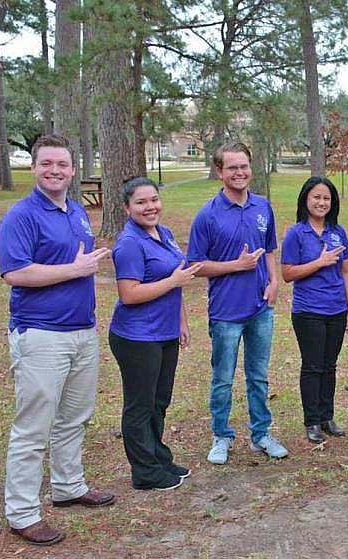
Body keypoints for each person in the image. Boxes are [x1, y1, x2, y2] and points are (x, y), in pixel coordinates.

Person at [0, 134, 115, 547]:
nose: (55, 171)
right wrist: (75, 269)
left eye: (62, 165)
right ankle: (23, 513)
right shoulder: (21, 216)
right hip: (41, 335)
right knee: (34, 428)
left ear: (72, 169)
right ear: (34, 168)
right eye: (47, 164)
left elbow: (78, 264)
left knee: (74, 417)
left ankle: (69, 486)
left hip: (82, 332)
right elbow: (15, 273)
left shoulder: (77, 210)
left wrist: (81, 269)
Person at [187, 141, 288, 462]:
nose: (239, 172)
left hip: (260, 309)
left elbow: (269, 249)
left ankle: (260, 434)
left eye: (243, 166)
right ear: (219, 171)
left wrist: (273, 282)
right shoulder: (207, 215)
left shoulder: (262, 207)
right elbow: (196, 265)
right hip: (226, 312)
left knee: (258, 376)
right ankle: (221, 436)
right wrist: (236, 265)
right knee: (223, 379)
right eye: (232, 167)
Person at [109, 177, 202, 490]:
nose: (150, 207)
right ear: (127, 207)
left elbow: (176, 281)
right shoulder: (129, 244)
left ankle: (158, 455)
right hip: (137, 337)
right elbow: (129, 294)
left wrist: (182, 322)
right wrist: (173, 282)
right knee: (140, 404)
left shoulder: (164, 233)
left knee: (159, 400)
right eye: (141, 202)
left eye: (153, 200)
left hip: (164, 332)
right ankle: (145, 471)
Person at [281, 177, 348, 443]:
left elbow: (346, 271)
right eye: (316, 197)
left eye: (326, 198)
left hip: (336, 309)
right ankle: (312, 420)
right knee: (313, 366)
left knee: (330, 365)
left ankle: (327, 416)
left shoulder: (339, 232)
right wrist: (319, 262)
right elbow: (288, 273)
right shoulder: (296, 233)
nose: (321, 202)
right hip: (309, 310)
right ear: (305, 199)